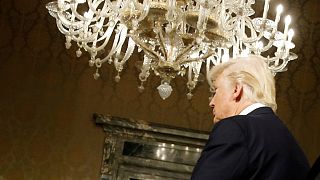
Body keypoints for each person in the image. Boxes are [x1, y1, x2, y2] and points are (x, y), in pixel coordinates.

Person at [191, 55, 310, 180]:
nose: (211, 103)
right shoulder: (287, 139)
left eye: (215, 91)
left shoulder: (235, 128)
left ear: (236, 90)